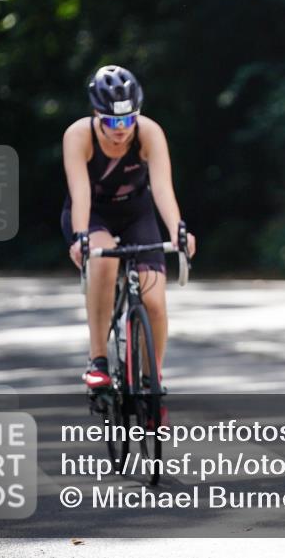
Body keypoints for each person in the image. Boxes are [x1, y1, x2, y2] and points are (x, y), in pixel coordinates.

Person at [61, 65, 196, 393]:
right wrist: (81, 237)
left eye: (128, 119)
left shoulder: (149, 132)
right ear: (96, 114)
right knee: (104, 261)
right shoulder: (79, 136)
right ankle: (98, 361)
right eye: (111, 121)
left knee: (154, 300)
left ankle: (153, 380)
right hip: (93, 214)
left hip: (136, 212)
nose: (121, 129)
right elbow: (79, 193)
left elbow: (162, 188)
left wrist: (178, 230)